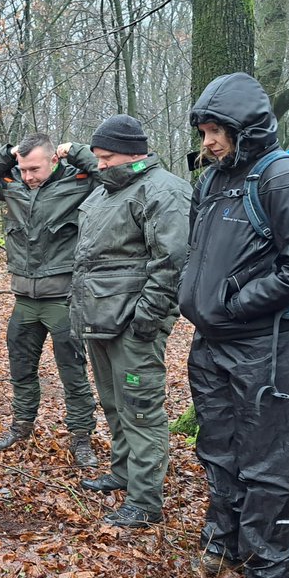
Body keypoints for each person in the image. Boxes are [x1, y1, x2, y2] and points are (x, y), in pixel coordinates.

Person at [180, 72, 289, 578]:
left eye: (217, 131)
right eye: (203, 131)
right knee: (218, 447)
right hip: (213, 342)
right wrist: (199, 301)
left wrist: (235, 303)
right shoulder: (213, 180)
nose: (208, 141)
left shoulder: (284, 179)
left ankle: (271, 568)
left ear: (246, 127)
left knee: (269, 457)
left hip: (270, 344)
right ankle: (223, 543)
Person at [65, 115, 190, 527]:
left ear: (134, 153)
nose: (99, 164)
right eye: (97, 157)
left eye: (106, 157)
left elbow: (171, 261)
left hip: (134, 326)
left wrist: (147, 318)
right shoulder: (105, 191)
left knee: (141, 411)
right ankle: (123, 472)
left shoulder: (163, 190)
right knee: (114, 404)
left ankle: (145, 500)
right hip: (98, 319)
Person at [0, 134, 99, 466]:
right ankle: (21, 425)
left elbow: (106, 176)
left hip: (62, 299)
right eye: (23, 169)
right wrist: (7, 155)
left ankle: (81, 436)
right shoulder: (13, 185)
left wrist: (77, 151)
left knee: (73, 372)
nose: (28, 176)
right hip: (24, 298)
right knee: (21, 369)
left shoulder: (77, 182)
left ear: (54, 160)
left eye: (34, 169)